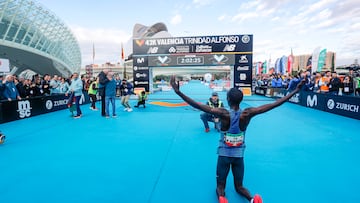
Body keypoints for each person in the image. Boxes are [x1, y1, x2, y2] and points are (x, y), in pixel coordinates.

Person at [170, 75, 305, 203]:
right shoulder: (248, 113)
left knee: (220, 186)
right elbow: (274, 104)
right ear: (240, 100)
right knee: (239, 186)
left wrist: (178, 92)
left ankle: (222, 198)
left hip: (224, 155)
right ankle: (252, 199)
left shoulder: (223, 113)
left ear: (228, 99)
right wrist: (295, 90)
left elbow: (198, 106)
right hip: (238, 156)